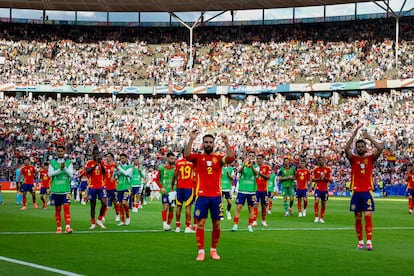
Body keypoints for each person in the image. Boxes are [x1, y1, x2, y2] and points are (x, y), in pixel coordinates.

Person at [184, 130, 235, 261]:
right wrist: (191, 139)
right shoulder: (197, 157)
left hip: (216, 196)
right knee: (200, 223)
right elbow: (186, 155)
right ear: (203, 144)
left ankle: (213, 250)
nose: (208, 144)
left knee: (216, 224)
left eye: (210, 142)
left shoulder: (219, 158)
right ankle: (201, 251)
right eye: (206, 142)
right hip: (201, 196)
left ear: (213, 144)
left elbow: (231, 158)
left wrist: (226, 142)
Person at [345, 125, 383, 251]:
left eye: (362, 146)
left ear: (365, 148)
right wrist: (354, 134)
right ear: (356, 148)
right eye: (359, 146)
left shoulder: (370, 158)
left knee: (368, 215)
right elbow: (346, 149)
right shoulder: (353, 159)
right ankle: (360, 241)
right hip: (356, 192)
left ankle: (369, 242)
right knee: (357, 217)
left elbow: (380, 149)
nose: (361, 148)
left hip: (367, 191)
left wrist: (369, 137)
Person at [48, 145, 74, 234]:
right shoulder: (52, 162)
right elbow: (50, 174)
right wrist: (60, 169)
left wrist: (64, 168)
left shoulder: (69, 162)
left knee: (67, 208)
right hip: (55, 190)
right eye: (58, 151)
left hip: (66, 190)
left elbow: (71, 174)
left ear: (64, 152)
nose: (60, 152)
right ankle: (59, 227)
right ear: (56, 152)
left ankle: (68, 227)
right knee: (57, 209)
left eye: (61, 151)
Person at [232, 151, 258, 232]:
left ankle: (250, 226)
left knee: (251, 208)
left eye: (252, 156)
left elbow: (256, 173)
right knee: (238, 207)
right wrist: (244, 164)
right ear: (247, 156)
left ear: (254, 157)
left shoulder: (256, 166)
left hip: (251, 191)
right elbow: (239, 171)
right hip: (242, 190)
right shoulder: (243, 165)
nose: (251, 157)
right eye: (249, 155)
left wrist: (251, 166)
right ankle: (235, 225)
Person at [85, 146, 108, 229]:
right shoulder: (89, 163)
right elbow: (87, 171)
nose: (96, 155)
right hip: (92, 186)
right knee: (93, 205)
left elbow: (105, 173)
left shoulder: (102, 163)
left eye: (97, 154)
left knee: (104, 203)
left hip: (101, 186)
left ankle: (99, 219)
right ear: (92, 155)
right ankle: (93, 222)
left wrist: (100, 163)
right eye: (95, 154)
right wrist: (95, 165)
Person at [172, 152, 195, 233]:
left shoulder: (178, 162)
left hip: (180, 187)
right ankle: (187, 227)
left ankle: (177, 227)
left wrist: (172, 186)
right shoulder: (192, 162)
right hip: (188, 187)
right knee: (188, 207)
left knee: (178, 207)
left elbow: (175, 175)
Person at [156, 152, 176, 231]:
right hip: (165, 192)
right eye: (171, 158)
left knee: (171, 208)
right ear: (167, 158)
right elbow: (156, 179)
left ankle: (168, 224)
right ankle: (164, 224)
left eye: (174, 159)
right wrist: (161, 187)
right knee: (165, 206)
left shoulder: (175, 169)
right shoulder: (161, 168)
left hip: (173, 192)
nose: (173, 160)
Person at [312, 156, 332, 223]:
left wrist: (325, 178)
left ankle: (321, 217)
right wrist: (319, 178)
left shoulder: (328, 169)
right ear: (318, 161)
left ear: (324, 161)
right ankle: (316, 217)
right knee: (316, 201)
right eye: (319, 160)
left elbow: (331, 180)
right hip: (318, 189)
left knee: (323, 203)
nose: (321, 161)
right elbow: (313, 179)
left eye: (322, 160)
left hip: (325, 189)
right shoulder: (315, 170)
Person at [115, 153, 133, 226]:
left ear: (126, 158)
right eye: (121, 158)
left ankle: (128, 217)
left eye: (123, 158)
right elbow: (116, 176)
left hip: (127, 187)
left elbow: (126, 173)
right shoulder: (119, 167)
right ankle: (123, 221)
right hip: (119, 187)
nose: (122, 160)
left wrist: (118, 167)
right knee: (121, 204)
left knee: (124, 202)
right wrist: (116, 172)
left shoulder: (130, 167)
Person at [253, 153, 271, 226]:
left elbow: (268, 177)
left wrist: (260, 174)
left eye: (260, 159)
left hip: (264, 190)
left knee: (264, 205)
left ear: (263, 159)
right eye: (257, 159)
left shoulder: (267, 167)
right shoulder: (253, 167)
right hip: (255, 189)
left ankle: (263, 220)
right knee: (255, 204)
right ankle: (254, 220)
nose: (258, 160)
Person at [104, 152, 118, 220]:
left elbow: (119, 173)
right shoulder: (105, 166)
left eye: (109, 156)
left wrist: (115, 177)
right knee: (105, 202)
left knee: (115, 201)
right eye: (107, 156)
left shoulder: (115, 165)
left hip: (113, 186)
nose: (107, 158)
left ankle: (117, 214)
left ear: (112, 157)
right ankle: (103, 216)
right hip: (106, 186)